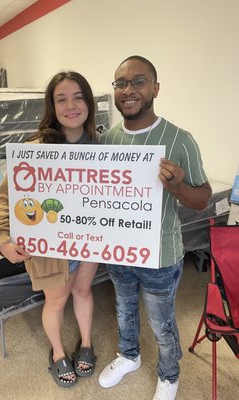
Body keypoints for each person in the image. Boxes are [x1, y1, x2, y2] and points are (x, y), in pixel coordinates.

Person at [98, 56, 212, 400]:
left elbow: (203, 198)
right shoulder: (107, 140)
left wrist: (177, 187)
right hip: (119, 250)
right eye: (121, 83)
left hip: (160, 255)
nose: (128, 90)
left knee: (161, 323)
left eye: (139, 81)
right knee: (124, 309)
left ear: (155, 88)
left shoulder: (180, 140)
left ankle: (169, 372)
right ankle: (129, 356)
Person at [0, 71, 99, 388]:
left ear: (89, 102)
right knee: (56, 301)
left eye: (78, 96)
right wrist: (2, 241)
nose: (71, 105)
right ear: (52, 106)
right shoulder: (33, 151)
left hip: (89, 243)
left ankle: (88, 344)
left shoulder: (102, 149)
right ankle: (57, 354)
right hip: (48, 248)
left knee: (83, 290)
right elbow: (5, 200)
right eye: (61, 99)